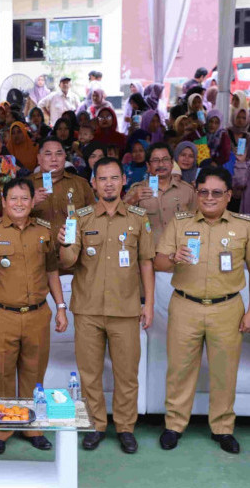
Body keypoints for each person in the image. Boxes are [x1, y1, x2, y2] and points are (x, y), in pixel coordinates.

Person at [58, 157, 155, 454]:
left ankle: (125, 427)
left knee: (127, 374)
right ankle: (96, 425)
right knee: (89, 374)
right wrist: (64, 242)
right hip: (87, 309)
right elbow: (68, 262)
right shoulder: (81, 217)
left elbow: (146, 262)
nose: (109, 183)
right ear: (94, 184)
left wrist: (148, 303)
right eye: (103, 179)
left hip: (125, 310)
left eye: (114, 178)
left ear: (124, 180)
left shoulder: (138, 218)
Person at [154, 166, 250, 454]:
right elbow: (158, 262)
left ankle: (222, 428)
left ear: (228, 196)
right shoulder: (180, 223)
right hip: (185, 305)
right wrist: (173, 257)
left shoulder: (243, 226)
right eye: (204, 191)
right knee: (180, 370)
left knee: (224, 372)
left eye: (217, 192)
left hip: (228, 308)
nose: (209, 197)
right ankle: (174, 425)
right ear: (196, 193)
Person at [0, 177, 68, 454]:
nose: (19, 203)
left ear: (32, 200)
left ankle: (30, 426)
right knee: (0, 373)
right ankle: (1, 430)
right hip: (1, 314)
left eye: (24, 198)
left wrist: (61, 307)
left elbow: (51, 271)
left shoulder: (44, 231)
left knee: (34, 373)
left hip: (37, 314)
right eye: (13, 198)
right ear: (3, 201)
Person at [124, 143, 196, 244]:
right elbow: (120, 217)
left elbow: (197, 222)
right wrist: (133, 199)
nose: (161, 164)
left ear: (172, 163)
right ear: (148, 166)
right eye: (155, 160)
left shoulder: (187, 190)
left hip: (180, 253)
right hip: (149, 254)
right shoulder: (137, 190)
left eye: (165, 159)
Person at [30, 137, 96, 248]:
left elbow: (94, 218)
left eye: (59, 154)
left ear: (65, 157)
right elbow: (12, 219)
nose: (54, 159)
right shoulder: (26, 186)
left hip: (74, 253)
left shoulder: (81, 184)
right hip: (38, 253)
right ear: (39, 158)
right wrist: (30, 202)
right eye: (48, 154)